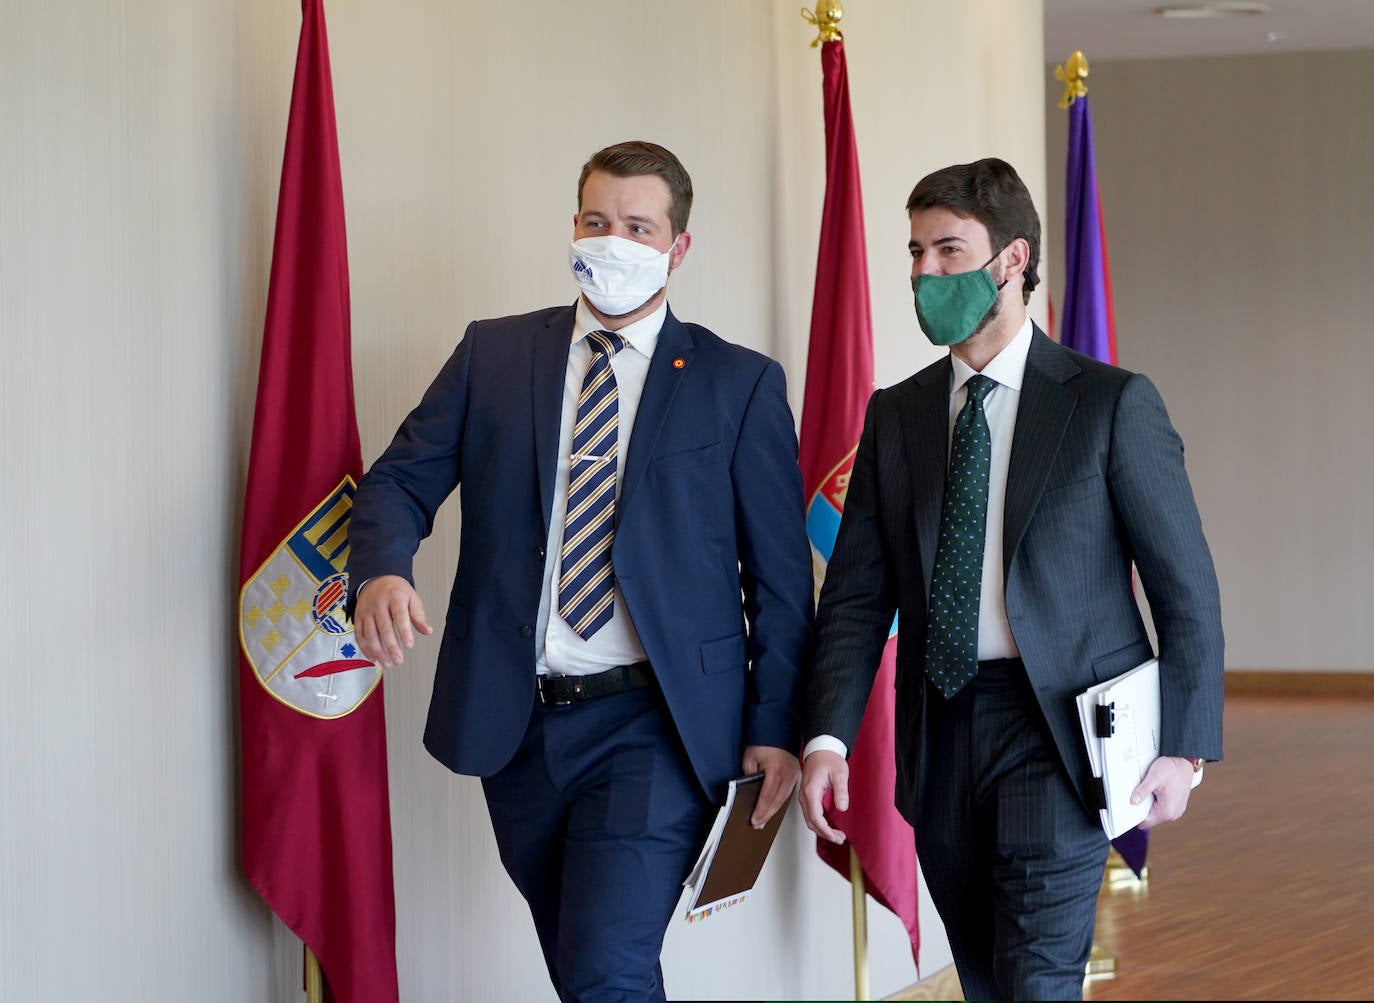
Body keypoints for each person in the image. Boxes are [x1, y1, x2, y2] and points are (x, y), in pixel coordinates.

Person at [345, 140, 814, 1003]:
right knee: (593, 971)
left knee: (604, 970)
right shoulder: (494, 355)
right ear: (572, 228)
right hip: (517, 727)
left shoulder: (737, 384)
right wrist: (381, 569)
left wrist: (775, 724)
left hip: (657, 727)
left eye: (639, 227)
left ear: (677, 248)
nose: (614, 241)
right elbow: (399, 480)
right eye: (598, 221)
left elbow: (781, 582)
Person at [798, 157, 1224, 1001]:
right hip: (941, 732)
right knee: (987, 980)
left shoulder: (1109, 404)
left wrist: (1185, 745)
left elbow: (1185, 587)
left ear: (1013, 260)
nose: (924, 272)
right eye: (915, 251)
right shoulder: (898, 414)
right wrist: (827, 737)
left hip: (1060, 735)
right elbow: (854, 598)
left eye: (948, 251)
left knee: (1038, 981)